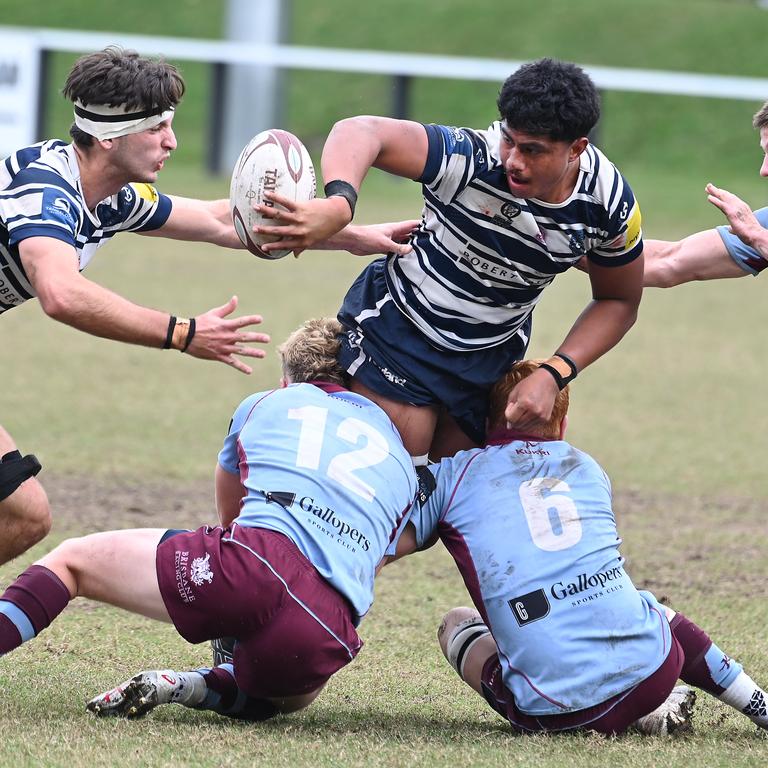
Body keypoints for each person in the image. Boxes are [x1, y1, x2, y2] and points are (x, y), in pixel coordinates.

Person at [0, 46, 415, 566]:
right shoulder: (46, 189)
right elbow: (60, 293)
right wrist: (181, 332)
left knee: (22, 514)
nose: (172, 141)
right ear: (109, 135)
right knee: (23, 512)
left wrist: (353, 235)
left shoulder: (109, 197)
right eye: (157, 129)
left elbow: (224, 221)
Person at [0, 318, 419, 721]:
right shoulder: (403, 462)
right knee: (287, 697)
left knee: (71, 563)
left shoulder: (267, 403)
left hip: (252, 568)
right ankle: (187, 686)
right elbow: (375, 558)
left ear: (289, 380)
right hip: (326, 628)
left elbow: (231, 518)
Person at [250, 58, 644, 463]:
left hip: (487, 358)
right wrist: (339, 204)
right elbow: (359, 131)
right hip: (401, 333)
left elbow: (619, 301)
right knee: (394, 490)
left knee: (438, 508)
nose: (513, 160)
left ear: (577, 147)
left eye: (533, 150)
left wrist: (555, 372)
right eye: (510, 140)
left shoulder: (607, 206)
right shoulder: (471, 158)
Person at [393, 359, 768, 736]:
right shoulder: (588, 468)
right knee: (646, 607)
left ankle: (622, 708)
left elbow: (395, 536)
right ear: (563, 425)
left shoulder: (453, 477)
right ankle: (755, 704)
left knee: (456, 623)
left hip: (559, 713)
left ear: (487, 421)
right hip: (656, 671)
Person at [642, 100, 768, 287]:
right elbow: (669, 261)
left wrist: (757, 236)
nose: (764, 170)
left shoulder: (757, 233)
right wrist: (591, 249)